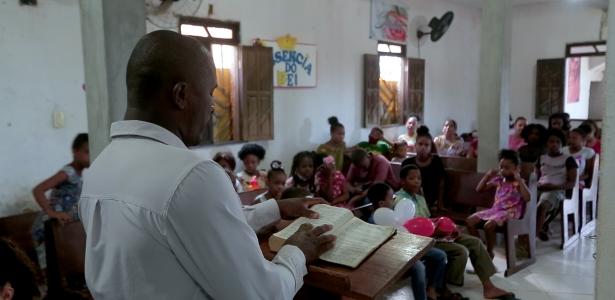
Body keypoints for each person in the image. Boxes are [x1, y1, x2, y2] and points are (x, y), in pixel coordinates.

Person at [78, 31, 336, 299]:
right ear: (181, 95)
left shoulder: (101, 167)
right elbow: (261, 294)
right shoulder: (191, 175)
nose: (213, 107)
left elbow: (196, 225)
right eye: (210, 93)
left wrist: (276, 208)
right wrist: (298, 252)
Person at [395, 165, 515, 300]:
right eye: (412, 178)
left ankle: (488, 287)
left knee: (474, 242)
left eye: (419, 178)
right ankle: (442, 287)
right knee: (460, 251)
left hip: (436, 234)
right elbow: (411, 228)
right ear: (402, 181)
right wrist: (437, 233)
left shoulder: (420, 198)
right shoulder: (400, 200)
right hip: (421, 240)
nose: (417, 181)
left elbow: (429, 220)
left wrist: (449, 229)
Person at [367, 182, 448, 300]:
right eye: (392, 198)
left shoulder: (394, 215)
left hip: (408, 247)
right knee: (419, 267)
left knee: (440, 256)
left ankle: (431, 289)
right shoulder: (375, 221)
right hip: (392, 255)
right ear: (381, 203)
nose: (394, 200)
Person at [31, 133, 89, 269]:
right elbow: (38, 190)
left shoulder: (79, 175)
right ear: (75, 151)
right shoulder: (68, 172)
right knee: (49, 270)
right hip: (46, 229)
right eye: (86, 152)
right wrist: (51, 212)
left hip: (57, 228)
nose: (90, 157)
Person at [466, 150, 531, 258]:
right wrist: (487, 175)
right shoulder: (499, 180)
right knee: (470, 221)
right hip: (496, 210)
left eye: (507, 168)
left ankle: (489, 252)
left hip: (511, 212)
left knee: (488, 225)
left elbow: (527, 198)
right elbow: (479, 189)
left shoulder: (518, 183)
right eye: (501, 167)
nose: (503, 170)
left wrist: (520, 181)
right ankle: (480, 247)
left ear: (516, 169)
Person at [536, 129, 578, 241]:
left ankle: (535, 234)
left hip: (557, 190)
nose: (554, 144)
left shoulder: (568, 159)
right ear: (546, 143)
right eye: (551, 141)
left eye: (557, 142)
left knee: (542, 205)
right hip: (541, 187)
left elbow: (572, 183)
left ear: (561, 144)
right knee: (525, 201)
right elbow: (535, 176)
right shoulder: (542, 158)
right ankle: (533, 229)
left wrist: (553, 187)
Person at [402, 126, 445, 209]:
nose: (423, 147)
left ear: (430, 147)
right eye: (420, 144)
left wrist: (440, 202)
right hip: (411, 201)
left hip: (431, 202)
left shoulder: (436, 161)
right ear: (415, 145)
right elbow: (403, 184)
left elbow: (441, 183)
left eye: (426, 145)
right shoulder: (407, 162)